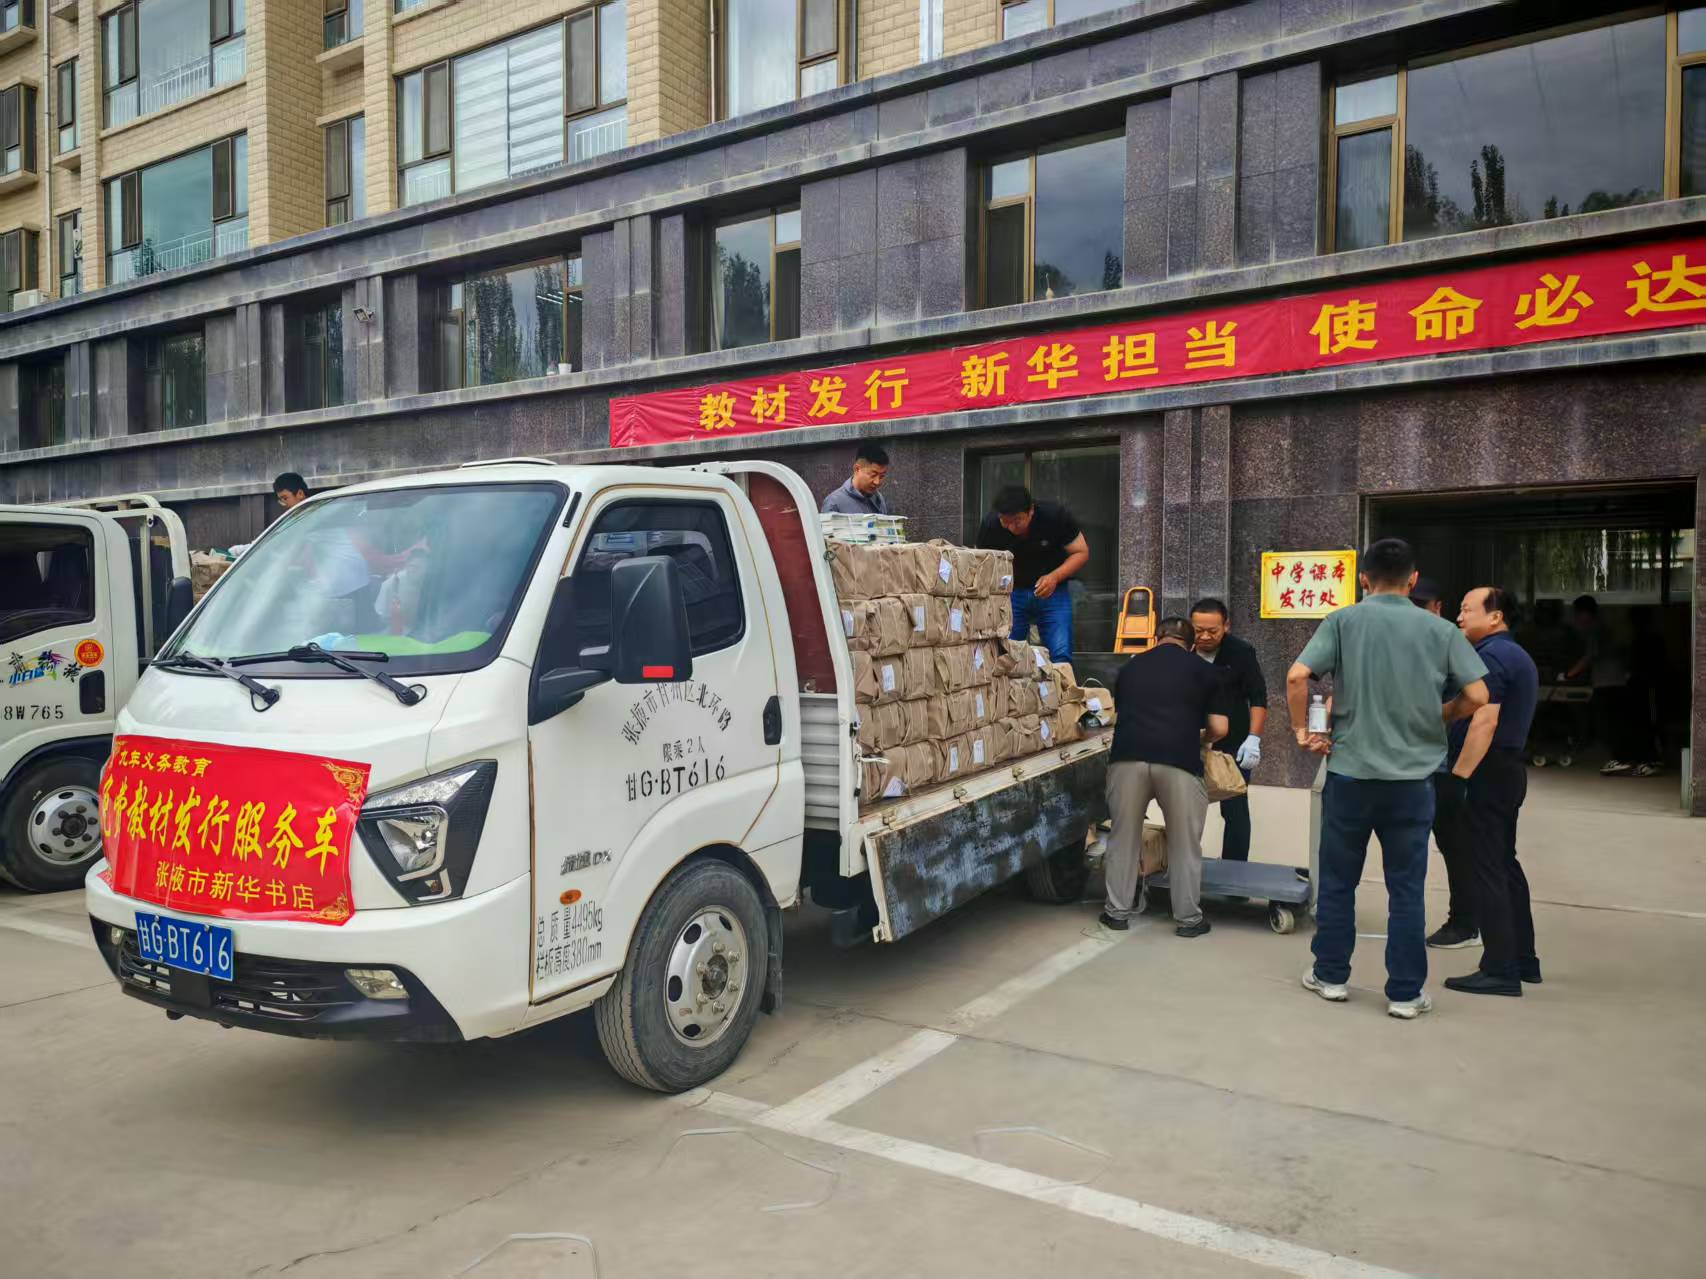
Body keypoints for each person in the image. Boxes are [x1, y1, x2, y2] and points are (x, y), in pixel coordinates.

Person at [1287, 537, 1489, 1020]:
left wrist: (1302, 731)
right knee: (1406, 888)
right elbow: (1479, 696)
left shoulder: (1342, 621)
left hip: (1350, 776)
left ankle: (1331, 975)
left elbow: (1298, 677)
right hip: (1413, 782)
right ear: (1413, 580)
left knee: (1339, 881)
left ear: (1363, 578)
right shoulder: (1440, 629)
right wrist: (1443, 715)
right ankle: (1404, 993)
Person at [1101, 616, 1230, 938]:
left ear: (1156, 638)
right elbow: (1220, 727)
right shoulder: (1205, 671)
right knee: (1184, 843)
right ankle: (1188, 920)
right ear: (1191, 644)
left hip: (1127, 759)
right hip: (1178, 761)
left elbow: (1119, 713)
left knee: (1123, 837)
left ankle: (1116, 913)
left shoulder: (1130, 668)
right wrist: (1198, 738)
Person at [1442, 586, 1540, 998]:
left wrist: (1459, 778)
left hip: (1488, 773)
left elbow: (1485, 721)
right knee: (1503, 864)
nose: (1459, 617)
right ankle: (1523, 959)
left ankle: (1499, 969)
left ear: (1495, 616)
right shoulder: (1512, 653)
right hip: (1506, 771)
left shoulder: (1492, 657)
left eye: (1467, 610)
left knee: (1487, 870)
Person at [1413, 578, 1477, 950]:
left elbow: (1478, 702)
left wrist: (1459, 771)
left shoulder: (1450, 643)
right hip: (1424, 762)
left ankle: (1466, 922)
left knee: (1455, 843)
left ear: (1438, 608)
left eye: (1422, 607)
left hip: (1447, 765)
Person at [1189, 598, 1267, 862]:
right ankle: (1183, 864)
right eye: (1198, 630)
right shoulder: (1183, 650)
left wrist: (1254, 739)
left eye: (1213, 631)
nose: (1205, 637)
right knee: (1185, 807)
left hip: (1234, 742)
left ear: (1226, 626)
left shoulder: (1241, 652)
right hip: (1190, 740)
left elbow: (1258, 697)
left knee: (1235, 808)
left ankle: (1235, 870)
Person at [977, 485, 1089, 664]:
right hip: (1011, 593)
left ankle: (1061, 682)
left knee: (1060, 653)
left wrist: (1055, 577)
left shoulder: (1054, 516)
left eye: (1017, 520)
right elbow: (980, 563)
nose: (1011, 527)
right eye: (1005, 522)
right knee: (1006, 655)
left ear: (1031, 511)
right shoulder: (991, 525)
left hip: (1053, 590)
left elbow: (1081, 552)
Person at [820, 444, 891, 516]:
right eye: (873, 475)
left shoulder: (878, 498)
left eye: (881, 476)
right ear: (857, 469)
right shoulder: (834, 503)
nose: (877, 482)